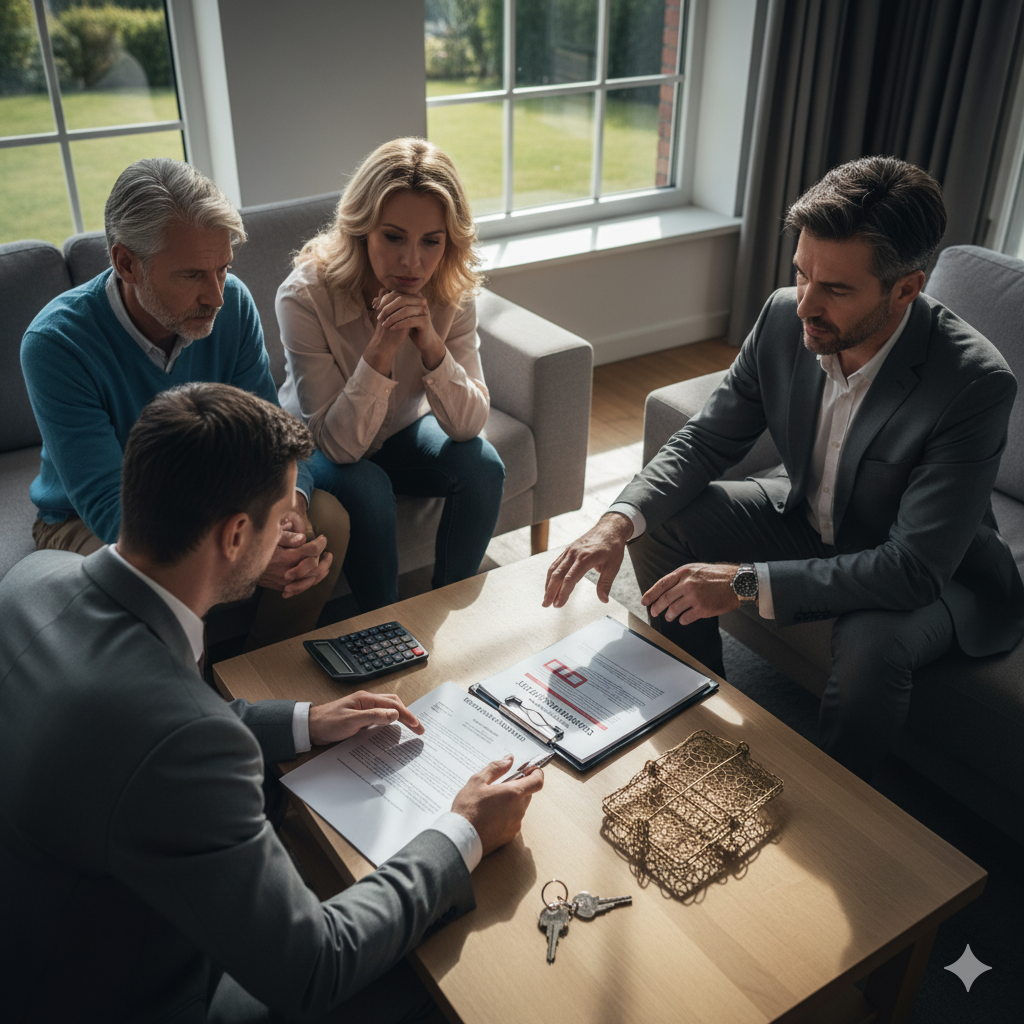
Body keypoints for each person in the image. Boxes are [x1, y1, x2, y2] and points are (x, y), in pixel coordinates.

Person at [0, 382, 543, 1023]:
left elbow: (126, 733)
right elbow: (315, 965)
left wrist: (306, 720)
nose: (294, 527)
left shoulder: (34, 579)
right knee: (452, 978)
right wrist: (462, 833)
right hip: (137, 994)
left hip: (34, 944)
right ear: (236, 536)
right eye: (286, 514)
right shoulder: (185, 742)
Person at [544, 155, 1024, 781]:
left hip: (933, 571)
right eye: (802, 274)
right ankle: (695, 708)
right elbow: (706, 439)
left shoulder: (972, 383)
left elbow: (911, 569)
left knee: (870, 651)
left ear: (907, 288)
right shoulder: (780, 317)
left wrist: (744, 582)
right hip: (812, 521)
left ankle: (840, 804)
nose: (805, 305)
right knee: (659, 524)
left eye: (837, 289)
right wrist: (615, 522)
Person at [21, 157, 349, 650]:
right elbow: (113, 509)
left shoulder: (231, 305)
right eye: (193, 274)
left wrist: (289, 511)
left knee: (326, 522)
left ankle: (262, 677)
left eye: (223, 269)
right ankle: (187, 708)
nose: (215, 296)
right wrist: (245, 558)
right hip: (85, 518)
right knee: (151, 584)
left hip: (211, 491)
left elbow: (274, 440)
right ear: (126, 263)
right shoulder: (56, 344)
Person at [276, 137, 505, 612]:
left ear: (450, 240)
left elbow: (467, 424)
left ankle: (448, 609)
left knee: (483, 465)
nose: (412, 262)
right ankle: (388, 623)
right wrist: (381, 348)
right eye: (394, 237)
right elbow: (339, 446)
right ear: (362, 230)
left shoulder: (451, 288)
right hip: (319, 443)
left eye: (431, 242)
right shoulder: (303, 297)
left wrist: (431, 347)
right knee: (367, 485)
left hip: (400, 430)